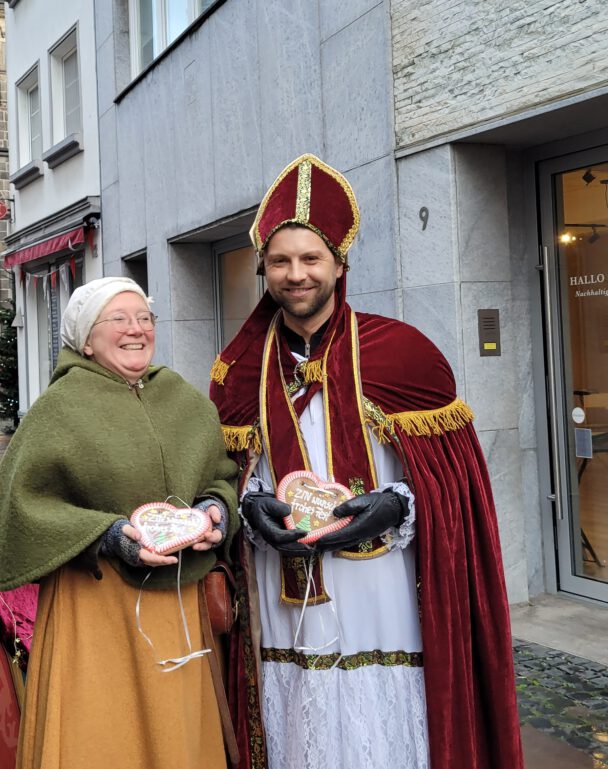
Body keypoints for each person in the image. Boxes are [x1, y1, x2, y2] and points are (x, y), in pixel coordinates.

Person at [208, 154, 523, 769]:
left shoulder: (404, 354)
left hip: (383, 590)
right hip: (282, 591)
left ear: (339, 266)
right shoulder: (239, 373)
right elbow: (230, 477)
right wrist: (253, 509)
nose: (295, 274)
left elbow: (454, 485)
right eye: (280, 261)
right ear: (263, 269)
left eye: (310, 259)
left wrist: (397, 503)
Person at [0, 276, 240, 769]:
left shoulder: (182, 397)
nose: (136, 330)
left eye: (144, 319)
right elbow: (26, 504)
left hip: (179, 608)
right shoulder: (61, 408)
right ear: (86, 339)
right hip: (98, 605)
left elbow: (219, 476)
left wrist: (216, 511)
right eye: (119, 320)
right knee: (104, 734)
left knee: (179, 734)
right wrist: (109, 537)